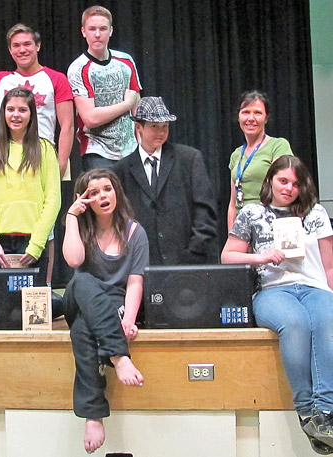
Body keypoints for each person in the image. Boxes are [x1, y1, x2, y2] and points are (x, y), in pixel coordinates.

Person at [222, 156, 333, 454]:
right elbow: (228, 256)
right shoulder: (252, 213)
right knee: (295, 324)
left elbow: (329, 266)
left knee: (326, 323)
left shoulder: (316, 212)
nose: (290, 188)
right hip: (273, 289)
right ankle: (307, 410)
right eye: (284, 181)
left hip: (314, 286)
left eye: (296, 184)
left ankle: (326, 413)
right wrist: (263, 256)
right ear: (270, 180)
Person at [63, 168, 148, 454]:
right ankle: (119, 356)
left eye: (107, 189)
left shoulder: (135, 232)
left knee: (82, 330)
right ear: (85, 198)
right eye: (94, 192)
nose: (102, 196)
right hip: (80, 297)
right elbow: (74, 260)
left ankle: (93, 415)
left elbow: (135, 282)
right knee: (83, 280)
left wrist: (129, 320)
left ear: (117, 192)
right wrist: (72, 217)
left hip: (112, 308)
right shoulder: (81, 226)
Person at [0, 23, 74, 177]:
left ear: (38, 46)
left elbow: (67, 126)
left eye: (27, 44)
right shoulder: (2, 80)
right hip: (7, 155)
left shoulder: (56, 79)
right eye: (16, 45)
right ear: (10, 51)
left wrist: (60, 166)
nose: (22, 50)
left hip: (42, 154)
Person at [114, 96, 217, 265]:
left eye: (165, 127)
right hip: (142, 263)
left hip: (187, 261)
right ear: (139, 127)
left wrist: (194, 250)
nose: (161, 132)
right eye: (154, 126)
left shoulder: (189, 159)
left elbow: (205, 210)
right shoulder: (122, 169)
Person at [0, 87, 60, 284]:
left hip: (33, 244)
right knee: (2, 310)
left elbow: (53, 199)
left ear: (31, 114)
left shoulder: (45, 150)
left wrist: (37, 245)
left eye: (22, 110)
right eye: (10, 109)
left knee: (34, 311)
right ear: (3, 112)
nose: (16, 115)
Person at [68, 6, 141, 170]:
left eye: (103, 28)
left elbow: (138, 109)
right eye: (92, 29)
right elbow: (90, 118)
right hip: (98, 152)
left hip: (131, 148)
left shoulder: (126, 61)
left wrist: (142, 147)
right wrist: (127, 104)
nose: (97, 34)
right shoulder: (78, 68)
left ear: (111, 31)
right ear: (83, 31)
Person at [227, 90, 293, 230]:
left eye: (257, 113)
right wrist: (232, 238)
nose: (251, 118)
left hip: (271, 224)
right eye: (245, 112)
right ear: (238, 117)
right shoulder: (236, 155)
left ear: (266, 118)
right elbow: (233, 204)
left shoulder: (278, 146)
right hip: (243, 227)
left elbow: (285, 190)